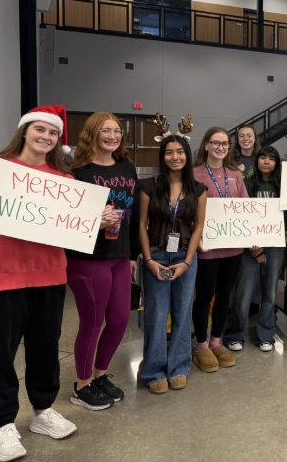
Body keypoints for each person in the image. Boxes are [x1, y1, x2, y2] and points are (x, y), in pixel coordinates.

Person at [0, 105, 77, 461]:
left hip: (51, 275)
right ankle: (3, 425)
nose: (46, 137)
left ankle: (43, 411)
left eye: (53, 133)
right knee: (1, 353)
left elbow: (72, 228)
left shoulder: (63, 180)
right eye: (40, 129)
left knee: (46, 348)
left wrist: (95, 221)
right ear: (24, 131)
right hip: (4, 276)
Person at [66, 112, 140, 410]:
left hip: (119, 256)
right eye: (105, 131)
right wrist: (95, 220)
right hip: (89, 258)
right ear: (92, 134)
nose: (113, 136)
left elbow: (132, 214)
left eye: (117, 131)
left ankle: (99, 376)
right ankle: (81, 385)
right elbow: (67, 218)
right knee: (93, 322)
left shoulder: (127, 168)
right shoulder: (76, 172)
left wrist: (132, 254)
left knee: (120, 320)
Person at [138, 121, 206, 394]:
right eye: (169, 152)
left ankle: (179, 365)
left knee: (182, 311)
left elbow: (199, 226)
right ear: (162, 156)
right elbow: (141, 224)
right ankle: (153, 370)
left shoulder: (198, 189)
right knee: (156, 314)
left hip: (184, 257)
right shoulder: (148, 186)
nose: (175, 157)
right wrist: (148, 260)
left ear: (187, 155)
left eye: (180, 152)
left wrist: (188, 261)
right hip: (156, 255)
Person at [192, 127, 249, 372]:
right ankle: (201, 345)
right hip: (206, 248)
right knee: (204, 296)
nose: (220, 147)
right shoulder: (193, 173)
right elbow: (187, 209)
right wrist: (195, 239)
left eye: (225, 144)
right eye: (215, 143)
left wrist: (253, 233)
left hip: (232, 248)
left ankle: (216, 341)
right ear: (206, 145)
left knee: (225, 295)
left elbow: (245, 207)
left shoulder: (235, 174)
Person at [223, 146, 287, 351]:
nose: (266, 162)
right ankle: (234, 334)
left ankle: (266, 335)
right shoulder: (247, 183)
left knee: (270, 293)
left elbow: (286, 218)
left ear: (277, 163)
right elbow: (241, 214)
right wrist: (252, 243)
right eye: (263, 158)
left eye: (271, 159)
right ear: (257, 160)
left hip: (274, 246)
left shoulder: (283, 186)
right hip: (248, 246)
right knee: (243, 293)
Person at [229, 123, 263, 312]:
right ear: (237, 139)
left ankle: (252, 302)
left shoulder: (262, 158)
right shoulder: (230, 159)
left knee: (255, 258)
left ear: (255, 137)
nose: (245, 139)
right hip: (235, 213)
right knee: (235, 260)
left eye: (249, 135)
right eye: (242, 136)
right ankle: (231, 304)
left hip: (258, 214)